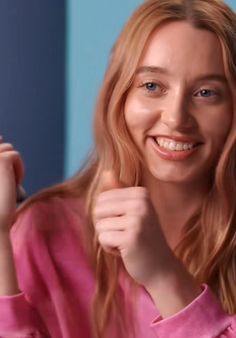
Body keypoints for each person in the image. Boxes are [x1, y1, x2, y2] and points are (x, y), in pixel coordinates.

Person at [1, 0, 236, 337]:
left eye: (206, 93)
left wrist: (164, 276)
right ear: (118, 96)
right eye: (152, 86)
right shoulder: (44, 231)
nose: (176, 118)